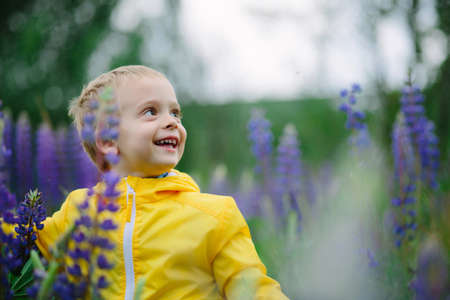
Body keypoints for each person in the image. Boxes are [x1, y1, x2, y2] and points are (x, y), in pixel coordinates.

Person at [37, 65, 289, 300]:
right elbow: (25, 244)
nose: (172, 122)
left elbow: (253, 288)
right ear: (108, 140)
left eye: (176, 113)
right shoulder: (78, 210)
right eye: (151, 112)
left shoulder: (215, 215)